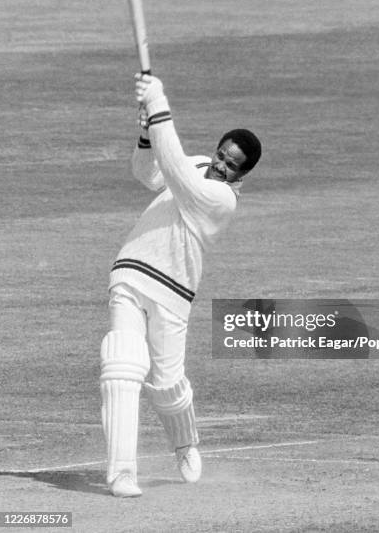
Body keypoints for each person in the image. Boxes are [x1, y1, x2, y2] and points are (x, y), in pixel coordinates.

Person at [100, 73, 262, 497]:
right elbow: (149, 173)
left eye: (232, 164)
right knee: (122, 365)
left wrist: (158, 105)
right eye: (221, 154)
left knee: (167, 385)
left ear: (242, 174)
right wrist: (145, 134)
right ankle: (122, 472)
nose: (221, 164)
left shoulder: (222, 200)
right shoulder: (194, 162)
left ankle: (185, 443)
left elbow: (178, 176)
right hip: (132, 269)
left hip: (173, 292)